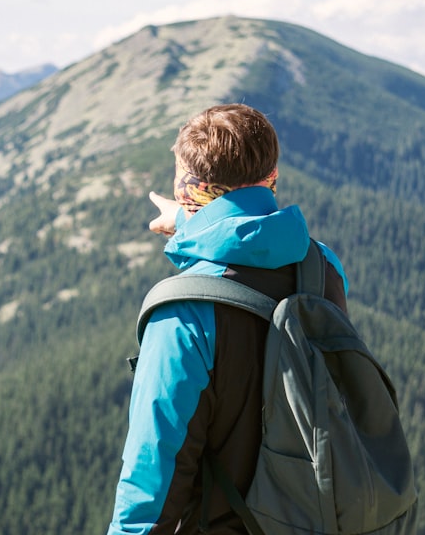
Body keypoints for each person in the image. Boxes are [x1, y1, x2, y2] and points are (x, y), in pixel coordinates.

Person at [107, 103, 350, 534]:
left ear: (190, 190)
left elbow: (151, 489)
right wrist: (187, 220)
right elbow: (252, 238)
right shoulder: (323, 268)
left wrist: (189, 221)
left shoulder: (183, 314)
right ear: (270, 177)